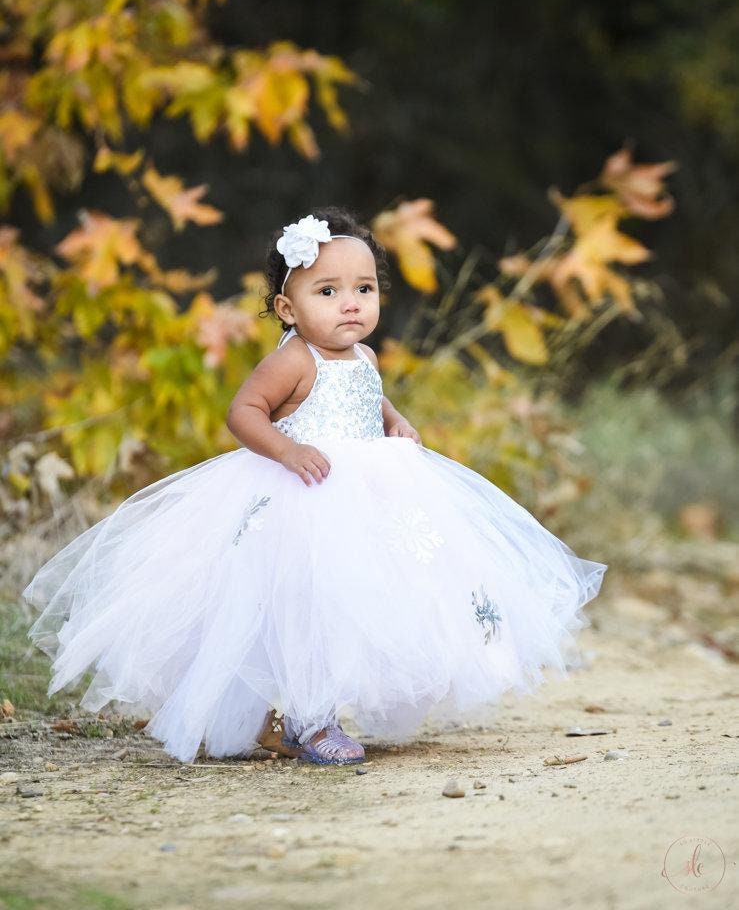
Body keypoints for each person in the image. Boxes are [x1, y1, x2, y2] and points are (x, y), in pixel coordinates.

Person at [22, 206, 607, 766]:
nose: (349, 305)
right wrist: (287, 448)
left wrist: (394, 420)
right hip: (305, 496)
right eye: (327, 292)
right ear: (287, 307)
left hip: (373, 497)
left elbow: (366, 395)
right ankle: (310, 719)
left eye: (364, 289)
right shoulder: (294, 360)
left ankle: (322, 712)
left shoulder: (365, 354)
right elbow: (244, 411)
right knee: (308, 606)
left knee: (369, 598)